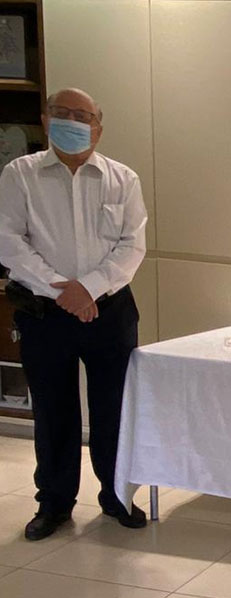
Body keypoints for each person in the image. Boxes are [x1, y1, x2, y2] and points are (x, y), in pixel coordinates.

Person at [0, 88, 150, 540]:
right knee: (53, 411)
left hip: (110, 311)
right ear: (46, 121)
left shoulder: (122, 179)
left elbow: (132, 245)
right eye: (61, 113)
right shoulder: (20, 174)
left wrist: (89, 289)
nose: (72, 121)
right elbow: (9, 241)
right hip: (44, 313)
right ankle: (54, 503)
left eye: (82, 116)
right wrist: (60, 290)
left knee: (115, 409)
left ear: (98, 127)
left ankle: (117, 496)